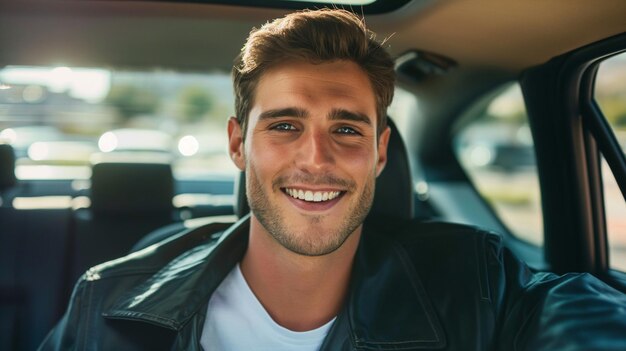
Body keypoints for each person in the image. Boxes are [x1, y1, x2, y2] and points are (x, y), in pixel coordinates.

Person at [40, 8, 626, 351]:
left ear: (380, 152)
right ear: (239, 145)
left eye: (347, 130)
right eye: (286, 125)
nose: (315, 158)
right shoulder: (109, 304)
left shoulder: (477, 284)